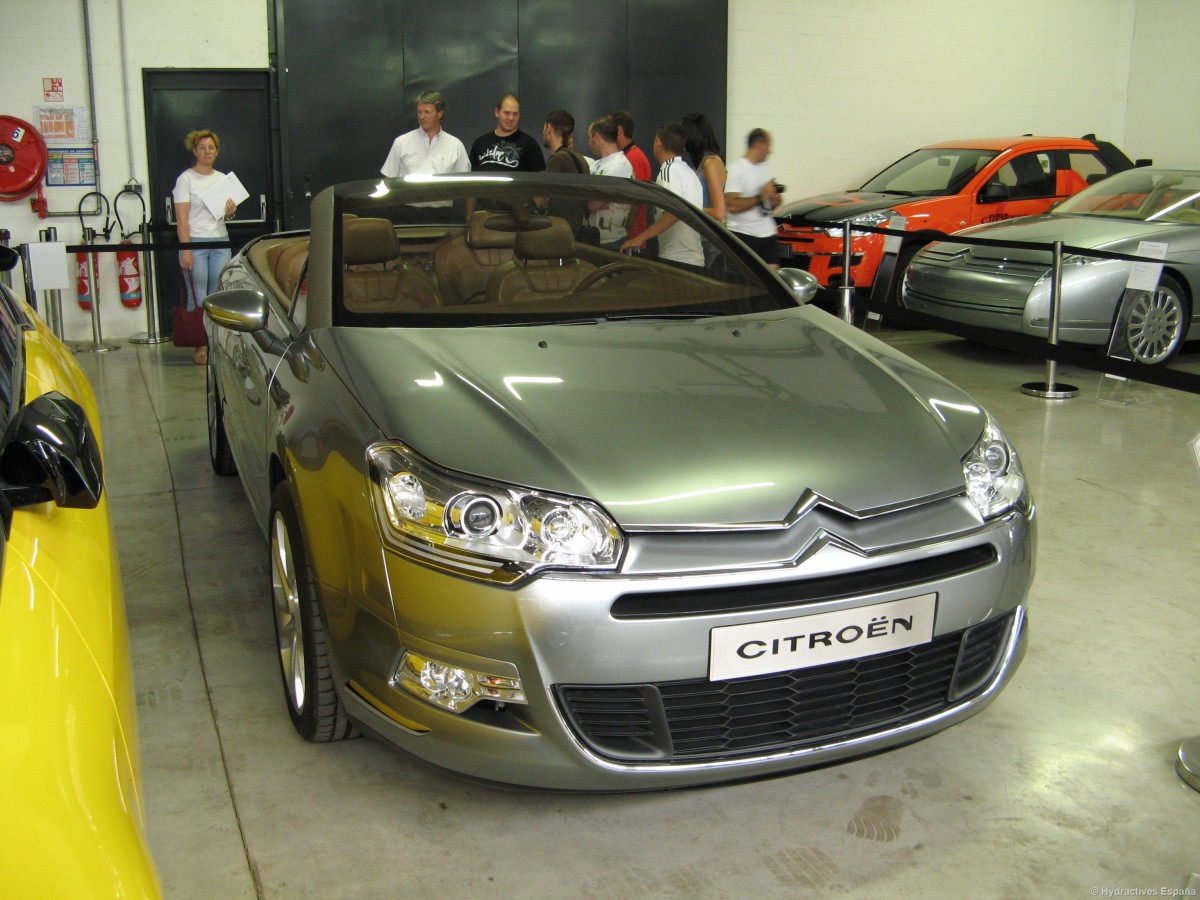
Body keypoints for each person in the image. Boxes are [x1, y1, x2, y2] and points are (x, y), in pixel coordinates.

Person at [173, 129, 238, 365]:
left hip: (220, 241)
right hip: (196, 242)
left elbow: (224, 216)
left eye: (211, 148)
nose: (207, 152)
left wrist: (230, 213)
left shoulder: (222, 178)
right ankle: (200, 343)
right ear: (195, 151)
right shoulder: (186, 179)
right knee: (198, 294)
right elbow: (182, 219)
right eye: (202, 147)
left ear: (217, 151)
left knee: (217, 293)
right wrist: (186, 249)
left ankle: (216, 341)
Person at [620, 123, 703, 267]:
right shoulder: (688, 172)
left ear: (658, 141)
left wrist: (640, 238)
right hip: (693, 257)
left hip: (677, 260)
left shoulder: (668, 171)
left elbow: (674, 211)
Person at [724, 128, 783, 269]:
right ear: (759, 145)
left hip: (767, 233)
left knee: (772, 282)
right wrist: (761, 197)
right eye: (768, 146)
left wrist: (774, 200)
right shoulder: (736, 169)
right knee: (747, 284)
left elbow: (770, 201)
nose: (770, 151)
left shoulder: (765, 168)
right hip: (744, 234)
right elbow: (732, 206)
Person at [380, 90, 470, 179]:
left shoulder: (455, 146)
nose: (422, 117)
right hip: (409, 193)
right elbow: (389, 180)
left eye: (427, 112)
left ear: (440, 114)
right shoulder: (401, 143)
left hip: (443, 194)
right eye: (419, 112)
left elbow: (465, 183)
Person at [681, 113, 727, 266]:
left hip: (709, 241)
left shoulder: (710, 163)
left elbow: (719, 212)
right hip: (705, 238)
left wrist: (689, 207)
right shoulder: (706, 162)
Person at [584, 116, 634, 250]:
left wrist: (588, 199)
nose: (588, 143)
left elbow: (592, 205)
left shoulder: (619, 165)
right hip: (594, 238)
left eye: (589, 137)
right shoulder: (596, 165)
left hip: (611, 242)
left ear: (596, 137)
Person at [540, 108, 590, 234]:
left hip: (557, 232)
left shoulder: (558, 159)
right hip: (574, 230)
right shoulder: (580, 158)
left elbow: (544, 196)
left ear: (549, 128)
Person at [470, 93, 546, 173]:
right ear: (497, 112)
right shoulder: (480, 143)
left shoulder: (530, 145)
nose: (511, 118)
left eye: (515, 114)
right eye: (507, 113)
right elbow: (471, 178)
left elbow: (540, 180)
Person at [611, 110, 650, 241]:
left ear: (619, 130)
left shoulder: (634, 157)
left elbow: (635, 198)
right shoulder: (628, 156)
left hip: (633, 235)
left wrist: (627, 229)